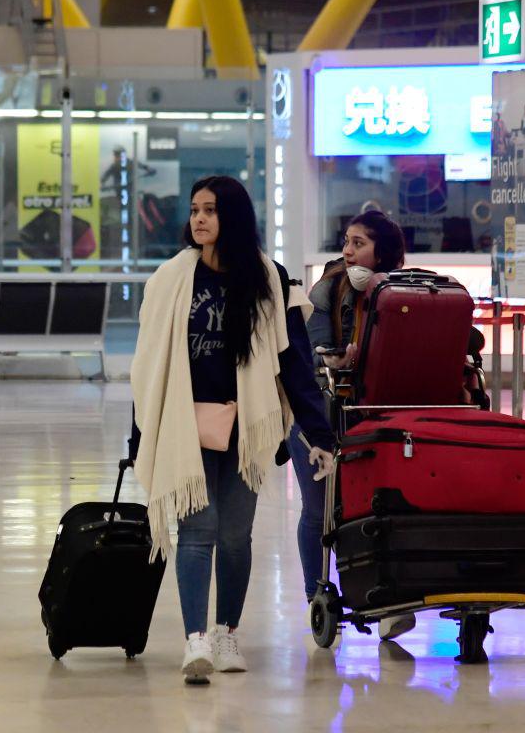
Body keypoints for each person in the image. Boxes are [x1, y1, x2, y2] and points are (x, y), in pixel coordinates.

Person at [128, 175, 335, 685]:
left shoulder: (267, 278)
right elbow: (148, 365)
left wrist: (319, 432)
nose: (199, 219)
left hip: (246, 426)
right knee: (198, 532)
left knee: (237, 537)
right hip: (184, 422)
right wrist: (140, 437)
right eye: (195, 209)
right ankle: (195, 639)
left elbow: (293, 362)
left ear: (234, 218)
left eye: (211, 210)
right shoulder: (170, 279)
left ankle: (227, 632)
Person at [286, 210, 410, 640]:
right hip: (317, 414)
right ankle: (317, 595)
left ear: (384, 252)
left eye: (359, 243)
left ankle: (387, 600)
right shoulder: (330, 286)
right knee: (319, 511)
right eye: (347, 240)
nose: (348, 250)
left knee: (377, 508)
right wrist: (333, 357)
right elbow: (310, 348)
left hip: (373, 419)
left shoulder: (401, 292)